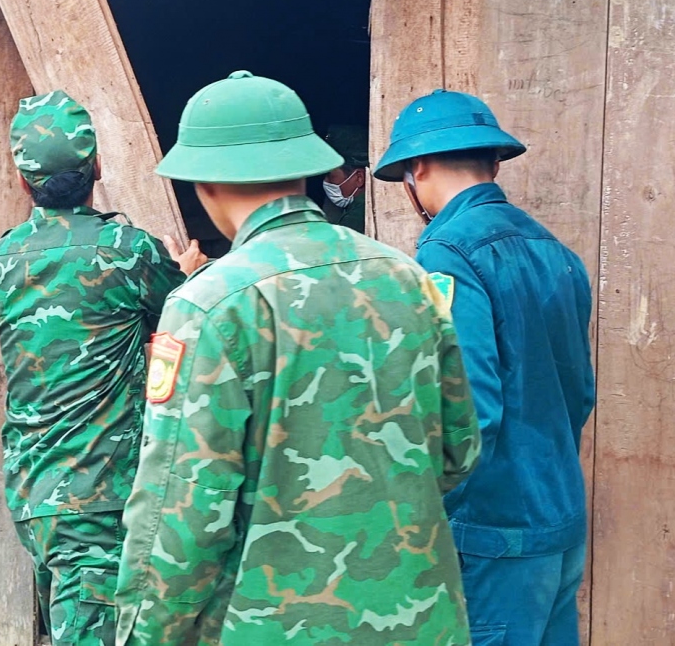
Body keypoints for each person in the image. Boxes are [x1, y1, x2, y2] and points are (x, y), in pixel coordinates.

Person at [114, 71, 481, 646]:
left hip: (274, 625)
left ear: (202, 184)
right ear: (305, 168)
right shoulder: (408, 277)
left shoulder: (210, 305)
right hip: (422, 620)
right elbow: (459, 451)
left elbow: (179, 515)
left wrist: (142, 633)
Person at [373, 89, 596, 645]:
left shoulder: (445, 254)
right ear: (494, 162)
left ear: (416, 168)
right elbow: (578, 391)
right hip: (560, 524)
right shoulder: (555, 252)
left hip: (493, 536)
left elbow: (466, 407)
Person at [0, 90, 206, 646]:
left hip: (33, 491)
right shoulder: (127, 251)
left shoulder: (2, 258)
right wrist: (187, 270)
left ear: (21, 179)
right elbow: (184, 314)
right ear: (98, 168)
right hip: (98, 493)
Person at [320, 124, 369, 232]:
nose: (326, 182)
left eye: (331, 176)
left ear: (359, 178)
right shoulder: (351, 209)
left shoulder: (355, 219)